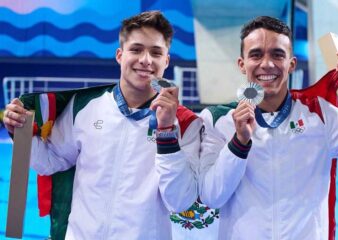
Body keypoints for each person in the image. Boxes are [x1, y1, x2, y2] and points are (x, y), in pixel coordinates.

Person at [3, 11, 202, 239]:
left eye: (155, 52)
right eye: (136, 49)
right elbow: (50, 161)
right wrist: (20, 131)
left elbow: (181, 201)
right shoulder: (84, 106)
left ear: (166, 61)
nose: (146, 60)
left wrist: (166, 133)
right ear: (119, 55)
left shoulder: (185, 123)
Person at [198, 16, 338, 239]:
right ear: (242, 64)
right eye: (256, 54)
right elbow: (211, 196)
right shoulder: (217, 120)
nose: (267, 64)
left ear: (291, 64)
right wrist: (238, 143)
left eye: (277, 54)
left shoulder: (321, 116)